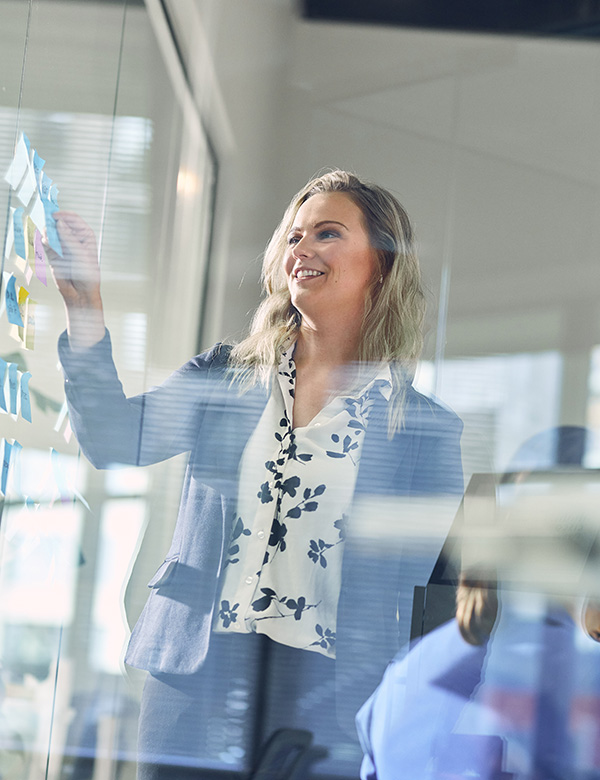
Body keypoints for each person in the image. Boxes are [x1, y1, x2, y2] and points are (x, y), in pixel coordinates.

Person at [45, 170, 464, 778]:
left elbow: (438, 597)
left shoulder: (421, 430)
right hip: (195, 674)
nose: (303, 250)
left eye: (327, 233)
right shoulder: (226, 376)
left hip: (332, 693)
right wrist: (85, 311)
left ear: (380, 263)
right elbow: (114, 439)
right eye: (294, 236)